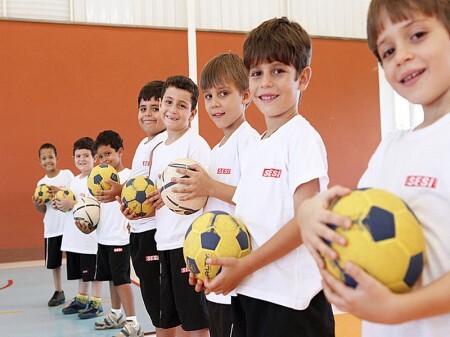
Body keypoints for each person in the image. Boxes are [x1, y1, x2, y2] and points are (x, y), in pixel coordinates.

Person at [297, 1, 450, 336]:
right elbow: (355, 217)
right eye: (388, 50)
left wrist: (398, 309)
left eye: (418, 35)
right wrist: (310, 214)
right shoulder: (392, 146)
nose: (402, 56)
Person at [201, 18, 334, 337]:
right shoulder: (260, 145)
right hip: (252, 293)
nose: (265, 83)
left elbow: (306, 221)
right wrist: (210, 262)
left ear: (302, 78)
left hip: (292, 303)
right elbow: (247, 221)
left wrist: (246, 266)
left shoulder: (301, 138)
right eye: (257, 73)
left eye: (278, 71)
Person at [171, 52, 259, 337]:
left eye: (223, 93)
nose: (215, 103)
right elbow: (209, 202)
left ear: (246, 95)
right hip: (213, 270)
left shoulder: (250, 142)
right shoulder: (217, 149)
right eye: (208, 96)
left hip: (238, 273)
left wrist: (209, 186)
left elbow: (257, 198)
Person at [149, 75, 210, 337]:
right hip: (163, 241)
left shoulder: (196, 146)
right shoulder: (158, 149)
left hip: (187, 245)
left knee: (196, 323)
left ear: (193, 113)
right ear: (161, 103)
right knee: (168, 321)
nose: (173, 110)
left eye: (182, 106)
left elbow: (204, 194)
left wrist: (172, 195)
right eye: (168, 102)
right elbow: (155, 195)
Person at [121, 80, 168, 335]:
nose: (147, 114)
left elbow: (158, 192)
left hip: (154, 234)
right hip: (138, 231)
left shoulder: (165, 144)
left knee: (162, 305)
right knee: (152, 299)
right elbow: (136, 189)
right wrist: (124, 201)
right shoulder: (142, 144)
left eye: (155, 108)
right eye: (143, 108)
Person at [86, 130, 142, 337]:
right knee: (111, 278)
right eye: (100, 156)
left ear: (120, 152)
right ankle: (116, 314)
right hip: (104, 237)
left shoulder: (128, 177)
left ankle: (133, 322)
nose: (104, 159)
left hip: (120, 238)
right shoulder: (97, 179)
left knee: (122, 280)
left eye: (108, 154)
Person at [55, 137, 104, 319]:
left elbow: (93, 208)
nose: (82, 159)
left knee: (94, 273)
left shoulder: (96, 180)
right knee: (81, 273)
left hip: (90, 238)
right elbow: (70, 205)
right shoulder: (74, 181)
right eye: (78, 156)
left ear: (94, 158)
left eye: (86, 155)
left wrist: (72, 203)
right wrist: (61, 204)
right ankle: (82, 299)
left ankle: (96, 302)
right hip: (74, 237)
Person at [32, 143, 74, 307]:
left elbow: (73, 196)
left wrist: (58, 191)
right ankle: (58, 291)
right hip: (52, 228)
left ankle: (81, 293)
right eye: (44, 158)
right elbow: (42, 209)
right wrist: (37, 203)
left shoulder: (67, 175)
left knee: (75, 260)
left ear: (57, 158)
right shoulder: (40, 183)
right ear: (40, 162)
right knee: (54, 262)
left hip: (69, 226)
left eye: (50, 157)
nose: (48, 160)